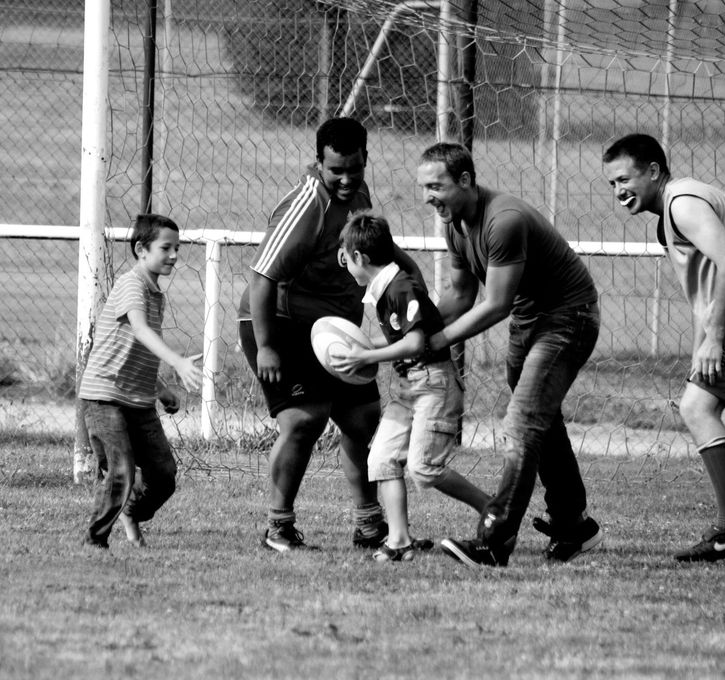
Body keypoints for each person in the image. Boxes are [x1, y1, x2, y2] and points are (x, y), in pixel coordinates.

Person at [602, 133, 725, 562]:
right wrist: (701, 349)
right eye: (612, 185)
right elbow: (705, 295)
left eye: (625, 179)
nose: (619, 191)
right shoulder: (670, 217)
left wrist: (715, 338)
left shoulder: (682, 202)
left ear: (654, 171)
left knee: (696, 409)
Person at [237, 117, 426, 552]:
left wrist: (410, 279)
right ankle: (278, 528)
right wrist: (266, 347)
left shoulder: (359, 195)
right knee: (305, 419)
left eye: (353, 168)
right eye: (334, 169)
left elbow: (375, 251)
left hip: (332, 328)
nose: (344, 179)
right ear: (317, 162)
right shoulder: (306, 205)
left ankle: (369, 525)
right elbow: (262, 277)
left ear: (365, 159)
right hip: (278, 322)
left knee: (362, 420)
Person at [416, 142, 603, 568]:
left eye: (436, 186)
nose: (429, 196)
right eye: (424, 187)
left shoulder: (504, 220)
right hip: (529, 321)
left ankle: (494, 540)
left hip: (567, 318)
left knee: (522, 424)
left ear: (465, 180)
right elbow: (461, 295)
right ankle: (574, 525)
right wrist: (415, 332)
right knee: (541, 419)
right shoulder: (453, 225)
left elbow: (494, 304)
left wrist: (437, 342)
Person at [331, 212, 491, 562]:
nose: (345, 265)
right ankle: (399, 541)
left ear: (360, 258)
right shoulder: (385, 287)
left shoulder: (401, 287)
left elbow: (415, 343)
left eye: (346, 258)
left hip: (433, 384)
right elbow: (400, 338)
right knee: (382, 459)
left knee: (423, 468)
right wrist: (358, 347)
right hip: (409, 386)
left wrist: (365, 356)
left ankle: (493, 510)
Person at [79, 214, 203, 549]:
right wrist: (176, 360)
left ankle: (131, 512)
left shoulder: (155, 294)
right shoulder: (131, 285)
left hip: (139, 399)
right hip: (104, 395)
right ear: (141, 249)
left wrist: (160, 389)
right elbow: (139, 330)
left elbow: (137, 350)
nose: (174, 255)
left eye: (177, 248)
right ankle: (95, 541)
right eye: (166, 247)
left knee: (164, 475)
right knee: (120, 472)